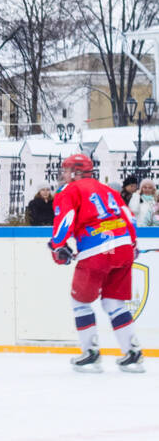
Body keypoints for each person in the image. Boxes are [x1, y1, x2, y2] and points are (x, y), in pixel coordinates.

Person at [49, 152, 143, 372]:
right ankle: (133, 352)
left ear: (76, 172)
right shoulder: (109, 190)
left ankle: (91, 353)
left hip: (95, 250)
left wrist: (58, 246)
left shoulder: (69, 190)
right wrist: (133, 245)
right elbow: (128, 217)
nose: (63, 175)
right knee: (113, 303)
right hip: (122, 246)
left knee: (80, 302)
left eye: (66, 170)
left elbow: (65, 219)